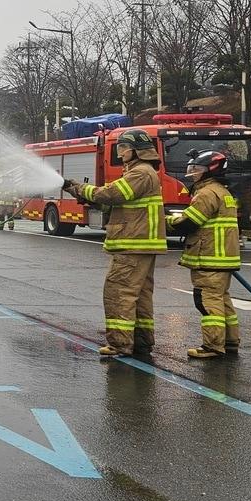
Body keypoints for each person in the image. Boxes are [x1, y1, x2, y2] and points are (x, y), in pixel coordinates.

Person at [62, 128, 165, 359]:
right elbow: (117, 203)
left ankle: (120, 344)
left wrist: (76, 187)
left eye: (123, 148)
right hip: (141, 244)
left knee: (119, 292)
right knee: (140, 296)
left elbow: (111, 194)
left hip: (132, 244)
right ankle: (141, 342)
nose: (120, 153)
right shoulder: (144, 172)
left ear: (136, 150)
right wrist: (89, 197)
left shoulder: (140, 173)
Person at [167, 149, 242, 360]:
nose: (192, 173)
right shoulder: (223, 192)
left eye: (197, 169)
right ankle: (229, 342)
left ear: (210, 171)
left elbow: (190, 222)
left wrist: (165, 223)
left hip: (209, 257)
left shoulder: (206, 193)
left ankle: (213, 346)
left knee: (208, 301)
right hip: (222, 258)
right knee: (222, 300)